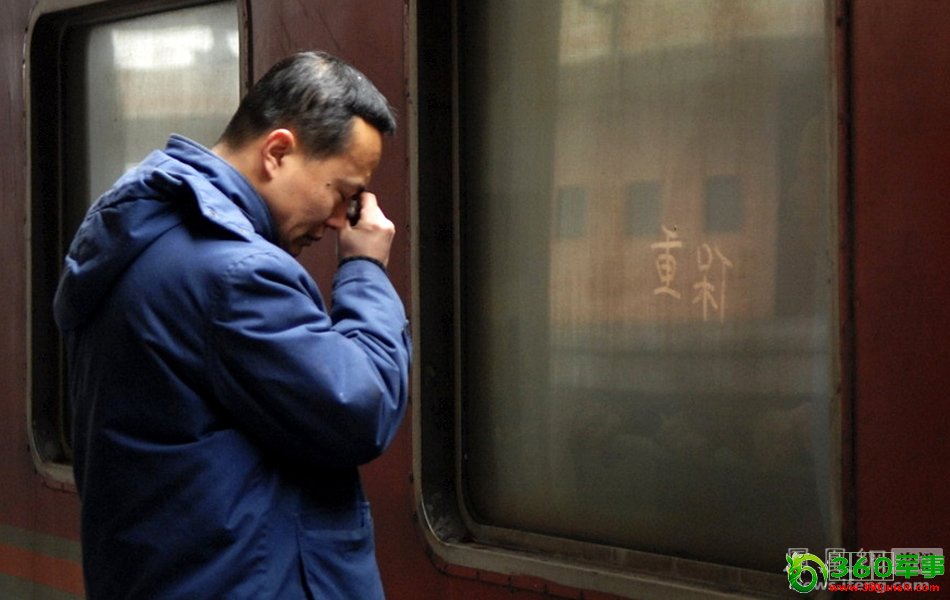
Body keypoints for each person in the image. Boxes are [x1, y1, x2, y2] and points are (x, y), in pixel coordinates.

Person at [53, 51, 410, 599]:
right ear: (277, 152)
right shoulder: (236, 275)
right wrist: (364, 270)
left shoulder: (148, 234)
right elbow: (360, 408)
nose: (341, 220)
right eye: (341, 193)